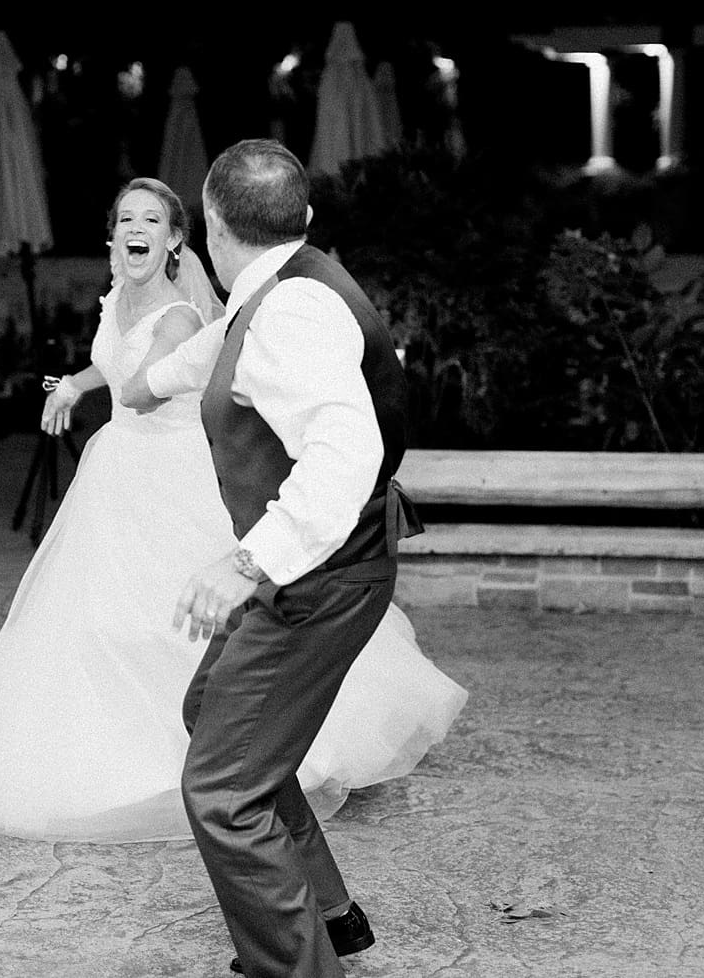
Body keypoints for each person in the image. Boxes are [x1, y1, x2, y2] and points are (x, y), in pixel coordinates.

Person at [0, 176, 465, 848]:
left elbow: (158, 381)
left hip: (166, 469)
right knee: (92, 613)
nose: (135, 229)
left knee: (171, 617)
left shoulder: (181, 316)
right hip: (113, 467)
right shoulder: (116, 298)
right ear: (112, 237)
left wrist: (131, 384)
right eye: (125, 219)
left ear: (176, 241)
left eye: (151, 220)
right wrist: (74, 383)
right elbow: (118, 370)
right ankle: (109, 749)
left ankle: (215, 758)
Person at [121, 139, 421, 977]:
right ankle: (328, 913)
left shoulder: (292, 312)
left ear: (211, 222)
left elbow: (343, 453)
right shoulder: (284, 285)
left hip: (321, 574)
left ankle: (298, 966)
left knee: (222, 789)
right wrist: (141, 383)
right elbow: (216, 348)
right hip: (320, 567)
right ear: (305, 216)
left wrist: (245, 564)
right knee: (210, 710)